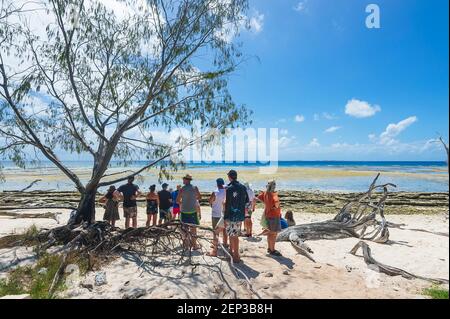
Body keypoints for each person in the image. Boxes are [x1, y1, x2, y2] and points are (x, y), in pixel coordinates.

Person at [224, 170, 249, 263]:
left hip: (231, 215)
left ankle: (236, 255)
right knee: (232, 234)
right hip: (239, 214)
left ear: (229, 177)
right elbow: (247, 200)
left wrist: (225, 216)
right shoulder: (243, 187)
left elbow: (227, 203)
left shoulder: (229, 188)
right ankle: (231, 252)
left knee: (233, 235)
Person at [257, 180, 282, 256]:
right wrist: (275, 207)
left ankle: (269, 248)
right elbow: (276, 205)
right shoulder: (273, 195)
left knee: (270, 233)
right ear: (273, 186)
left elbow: (258, 198)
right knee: (273, 234)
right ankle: (272, 250)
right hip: (274, 216)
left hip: (267, 215)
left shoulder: (265, 193)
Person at [177, 174, 202, 250]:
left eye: (184, 179)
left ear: (186, 180)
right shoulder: (195, 188)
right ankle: (194, 245)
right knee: (193, 229)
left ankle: (186, 245)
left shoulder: (182, 189)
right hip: (193, 211)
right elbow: (200, 197)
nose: (183, 180)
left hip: (184, 211)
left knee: (185, 229)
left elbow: (177, 200)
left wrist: (183, 202)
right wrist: (193, 199)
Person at [208, 178, 227, 257]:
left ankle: (215, 246)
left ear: (217, 184)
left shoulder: (215, 192)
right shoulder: (226, 191)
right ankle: (225, 243)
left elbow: (210, 201)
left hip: (215, 213)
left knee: (215, 230)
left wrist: (212, 205)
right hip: (224, 213)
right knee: (224, 230)